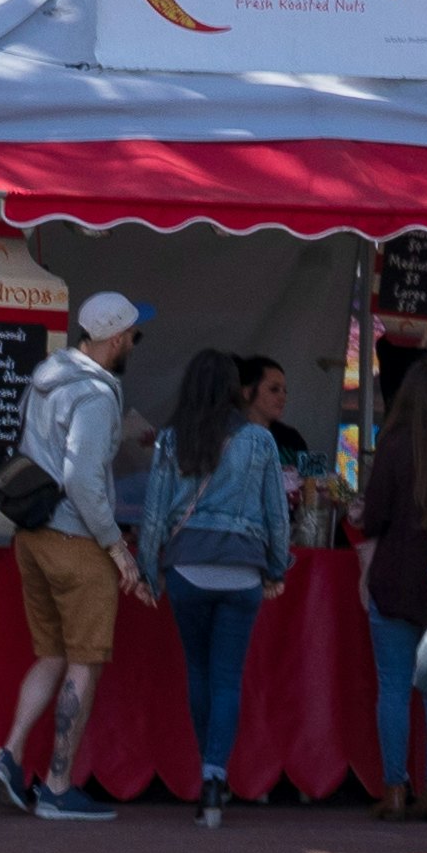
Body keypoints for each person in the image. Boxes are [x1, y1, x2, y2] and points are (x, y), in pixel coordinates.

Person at [0, 288, 143, 824]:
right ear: (117, 338)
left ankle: (9, 753)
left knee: (49, 653)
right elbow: (82, 479)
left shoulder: (47, 374)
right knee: (83, 661)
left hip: (32, 536)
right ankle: (55, 785)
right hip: (77, 541)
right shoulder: (97, 397)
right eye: (133, 337)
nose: (133, 345)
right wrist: (117, 547)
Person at [138, 345, 291, 826]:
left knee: (199, 674)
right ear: (235, 389)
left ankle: (208, 774)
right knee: (227, 679)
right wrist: (276, 568)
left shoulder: (169, 440)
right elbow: (277, 516)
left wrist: (149, 570)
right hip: (242, 573)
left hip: (186, 572)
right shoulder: (260, 442)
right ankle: (214, 774)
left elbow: (154, 516)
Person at [355, 355, 427, 819]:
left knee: (394, 690)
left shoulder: (394, 445)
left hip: (394, 582)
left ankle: (395, 789)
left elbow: (375, 517)